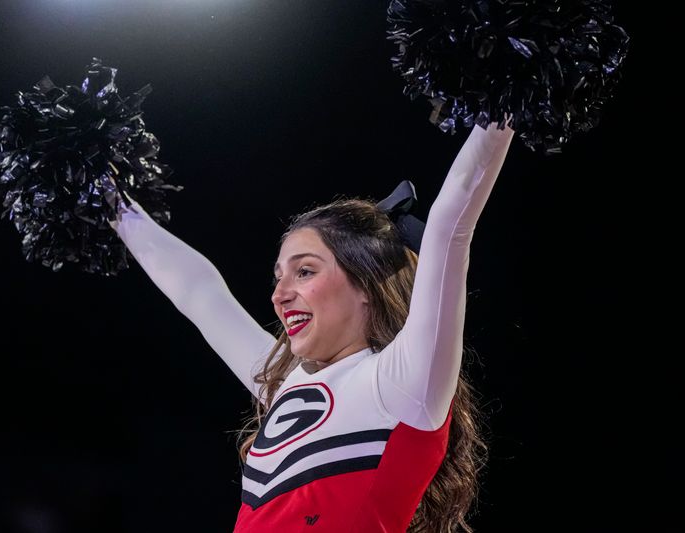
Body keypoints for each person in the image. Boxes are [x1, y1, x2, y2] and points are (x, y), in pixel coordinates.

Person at [111, 122, 514, 532]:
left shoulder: (401, 382)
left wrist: (505, 105)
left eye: (304, 272)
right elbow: (199, 294)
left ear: (366, 286)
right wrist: (108, 200)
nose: (279, 294)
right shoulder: (285, 383)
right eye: (278, 276)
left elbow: (450, 228)